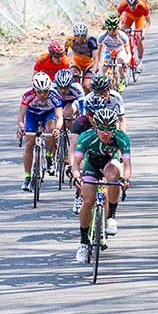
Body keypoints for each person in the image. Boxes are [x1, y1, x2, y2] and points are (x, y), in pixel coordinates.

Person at [71, 108, 131, 263]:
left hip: (109, 164)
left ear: (115, 128)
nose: (106, 133)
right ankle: (84, 242)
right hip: (91, 166)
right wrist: (77, 177)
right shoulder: (86, 137)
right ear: (95, 127)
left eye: (110, 129)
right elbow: (76, 165)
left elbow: (127, 164)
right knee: (88, 200)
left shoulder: (121, 138)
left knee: (113, 177)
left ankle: (110, 216)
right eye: (102, 129)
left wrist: (126, 179)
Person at [17, 72, 63, 191]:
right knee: (29, 143)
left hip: (48, 114)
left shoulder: (55, 96)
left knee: (51, 129)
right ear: (34, 89)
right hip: (32, 115)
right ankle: (27, 176)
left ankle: (49, 156)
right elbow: (21, 116)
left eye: (45, 91)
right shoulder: (28, 96)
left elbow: (59, 116)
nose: (42, 94)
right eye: (39, 91)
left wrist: (57, 129)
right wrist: (21, 128)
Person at [68, 94, 108, 214]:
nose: (93, 118)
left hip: (103, 152)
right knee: (79, 167)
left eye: (97, 114)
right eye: (91, 114)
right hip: (85, 151)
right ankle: (79, 194)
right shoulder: (80, 123)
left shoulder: (108, 121)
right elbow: (73, 148)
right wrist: (71, 166)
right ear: (86, 113)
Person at [117, 0, 151, 72]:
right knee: (122, 34)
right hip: (128, 18)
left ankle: (140, 61)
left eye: (134, 5)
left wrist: (144, 32)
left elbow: (149, 22)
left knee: (139, 36)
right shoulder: (123, 4)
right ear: (127, 3)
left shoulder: (142, 5)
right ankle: (125, 55)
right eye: (130, 5)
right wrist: (117, 28)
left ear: (137, 2)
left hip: (140, 18)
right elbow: (116, 18)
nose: (132, 7)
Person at [98, 15, 132, 92]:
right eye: (109, 29)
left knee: (120, 62)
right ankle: (108, 86)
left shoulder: (123, 36)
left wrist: (126, 62)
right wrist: (97, 64)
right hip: (109, 51)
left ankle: (122, 79)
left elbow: (129, 53)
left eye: (114, 29)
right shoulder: (102, 37)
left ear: (118, 28)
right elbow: (98, 53)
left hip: (120, 49)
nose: (112, 32)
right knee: (104, 70)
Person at [64, 22, 98, 93]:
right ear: (74, 35)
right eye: (77, 36)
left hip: (89, 64)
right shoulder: (69, 41)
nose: (80, 38)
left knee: (86, 86)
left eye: (82, 36)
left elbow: (95, 58)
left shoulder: (91, 41)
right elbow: (64, 56)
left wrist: (94, 70)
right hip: (77, 63)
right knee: (73, 82)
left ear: (86, 35)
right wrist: (64, 69)